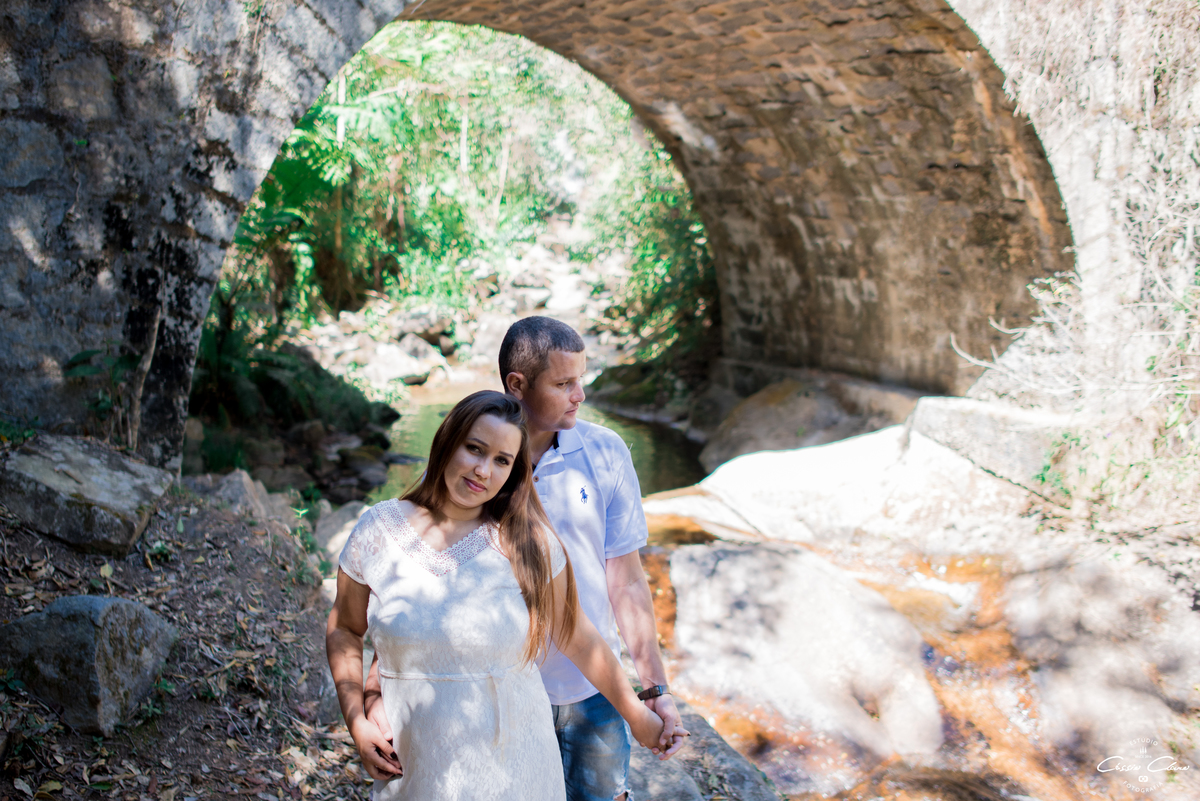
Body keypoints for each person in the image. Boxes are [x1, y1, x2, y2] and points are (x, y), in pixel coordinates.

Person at [326, 390, 665, 800]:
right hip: (416, 772)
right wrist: (357, 720)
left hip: (517, 772)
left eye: (502, 460)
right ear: (447, 440)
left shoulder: (527, 543)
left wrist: (640, 715)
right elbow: (345, 629)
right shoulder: (377, 530)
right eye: (474, 449)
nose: (483, 470)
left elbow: (579, 639)